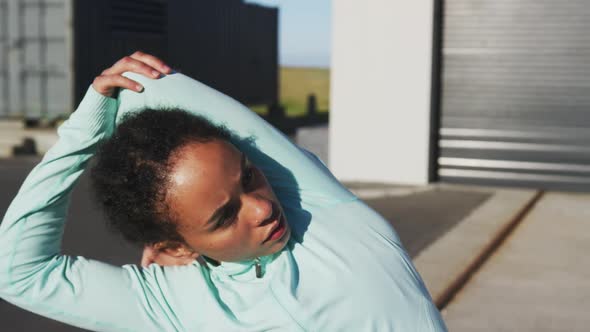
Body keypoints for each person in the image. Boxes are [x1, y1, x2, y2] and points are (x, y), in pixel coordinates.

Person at [0, 52, 447, 331]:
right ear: (177, 246)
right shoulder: (171, 305)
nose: (261, 207)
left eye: (248, 175)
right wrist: (80, 137)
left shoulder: (322, 213)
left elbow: (150, 88)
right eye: (223, 216)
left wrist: (103, 101)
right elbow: (15, 273)